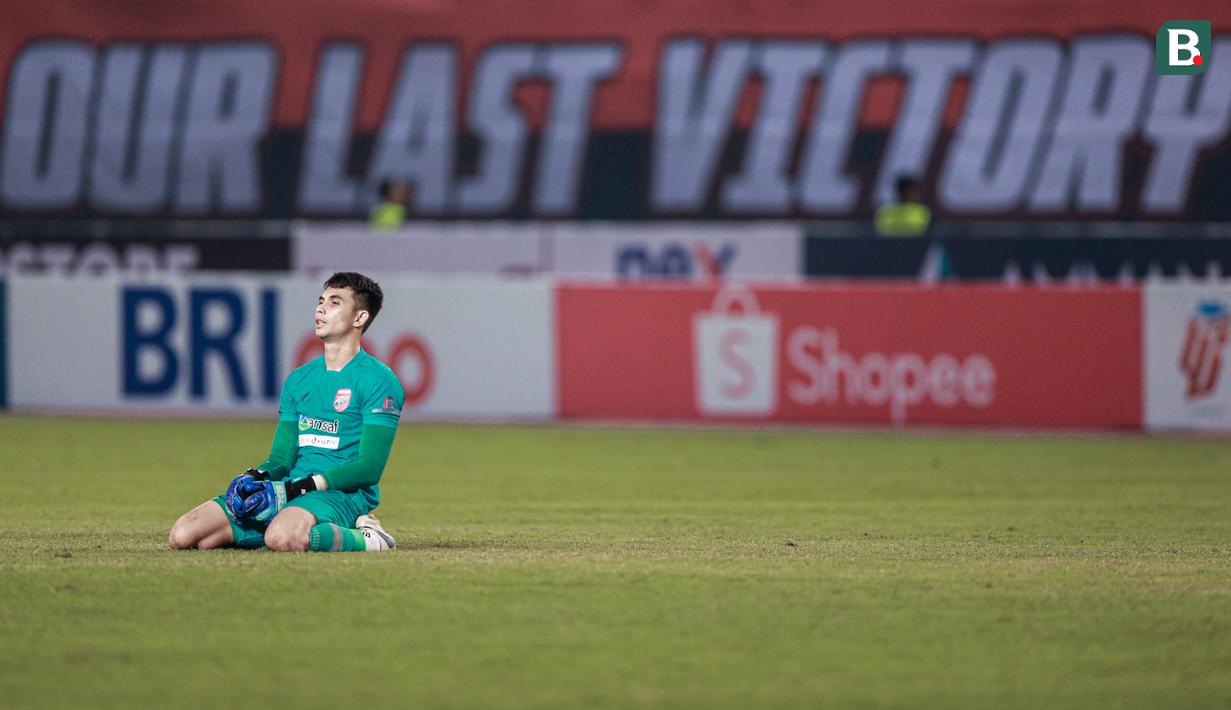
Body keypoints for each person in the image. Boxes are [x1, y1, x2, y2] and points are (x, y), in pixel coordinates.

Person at [168, 272, 405, 553]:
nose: (320, 308)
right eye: (321, 300)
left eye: (334, 302)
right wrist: (253, 475)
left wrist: (300, 488)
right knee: (184, 535)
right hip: (290, 489)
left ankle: (372, 538)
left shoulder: (379, 380)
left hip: (341, 494)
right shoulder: (299, 380)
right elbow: (281, 458)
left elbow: (369, 468)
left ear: (359, 318)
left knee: (281, 538)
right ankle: (289, 525)